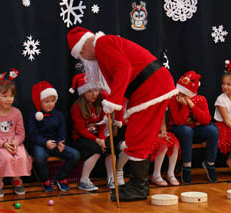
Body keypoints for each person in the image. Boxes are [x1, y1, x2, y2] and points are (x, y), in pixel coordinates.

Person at [67, 27, 177, 201]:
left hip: (151, 86)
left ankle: (138, 187)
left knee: (138, 136)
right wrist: (116, 116)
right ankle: (140, 185)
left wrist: (113, 103)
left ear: (85, 44)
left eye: (81, 53)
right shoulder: (103, 52)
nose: (84, 58)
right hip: (150, 86)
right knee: (140, 136)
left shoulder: (102, 44)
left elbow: (123, 70)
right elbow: (121, 84)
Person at [0, 69, 32, 197]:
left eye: (11, 96)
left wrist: (15, 142)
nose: (8, 99)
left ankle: (17, 178)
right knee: (5, 157)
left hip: (13, 142)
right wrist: (3, 144)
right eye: (4, 96)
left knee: (21, 156)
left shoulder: (17, 112)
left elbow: (21, 133)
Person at [28, 81, 80, 192]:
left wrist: (60, 142)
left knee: (75, 154)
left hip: (55, 144)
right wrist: (45, 143)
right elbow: (32, 135)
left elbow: (62, 132)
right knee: (40, 156)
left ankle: (61, 178)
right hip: (40, 145)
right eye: (47, 101)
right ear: (39, 102)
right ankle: (46, 180)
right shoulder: (33, 115)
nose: (50, 104)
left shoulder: (58, 115)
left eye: (52, 101)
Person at [168, 70, 219, 184]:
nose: (181, 95)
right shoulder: (173, 100)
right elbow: (178, 122)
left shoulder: (200, 99)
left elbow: (206, 120)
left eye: (184, 93)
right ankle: (187, 165)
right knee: (186, 130)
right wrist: (185, 106)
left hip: (196, 130)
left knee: (213, 130)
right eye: (179, 92)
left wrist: (192, 105)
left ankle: (210, 163)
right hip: (180, 130)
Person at [70, 73, 115, 191]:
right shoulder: (77, 107)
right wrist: (97, 140)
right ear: (83, 92)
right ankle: (84, 180)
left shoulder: (101, 104)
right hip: (81, 137)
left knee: (110, 148)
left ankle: (111, 178)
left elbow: (102, 125)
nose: (94, 94)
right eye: (89, 91)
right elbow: (81, 129)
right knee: (96, 150)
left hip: (97, 136)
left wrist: (102, 139)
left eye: (95, 90)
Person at [151, 113, 180, 186]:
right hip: (147, 134)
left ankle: (170, 173)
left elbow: (163, 123)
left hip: (158, 134)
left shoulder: (161, 104)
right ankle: (156, 175)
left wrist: (164, 133)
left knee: (174, 142)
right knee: (163, 144)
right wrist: (157, 135)